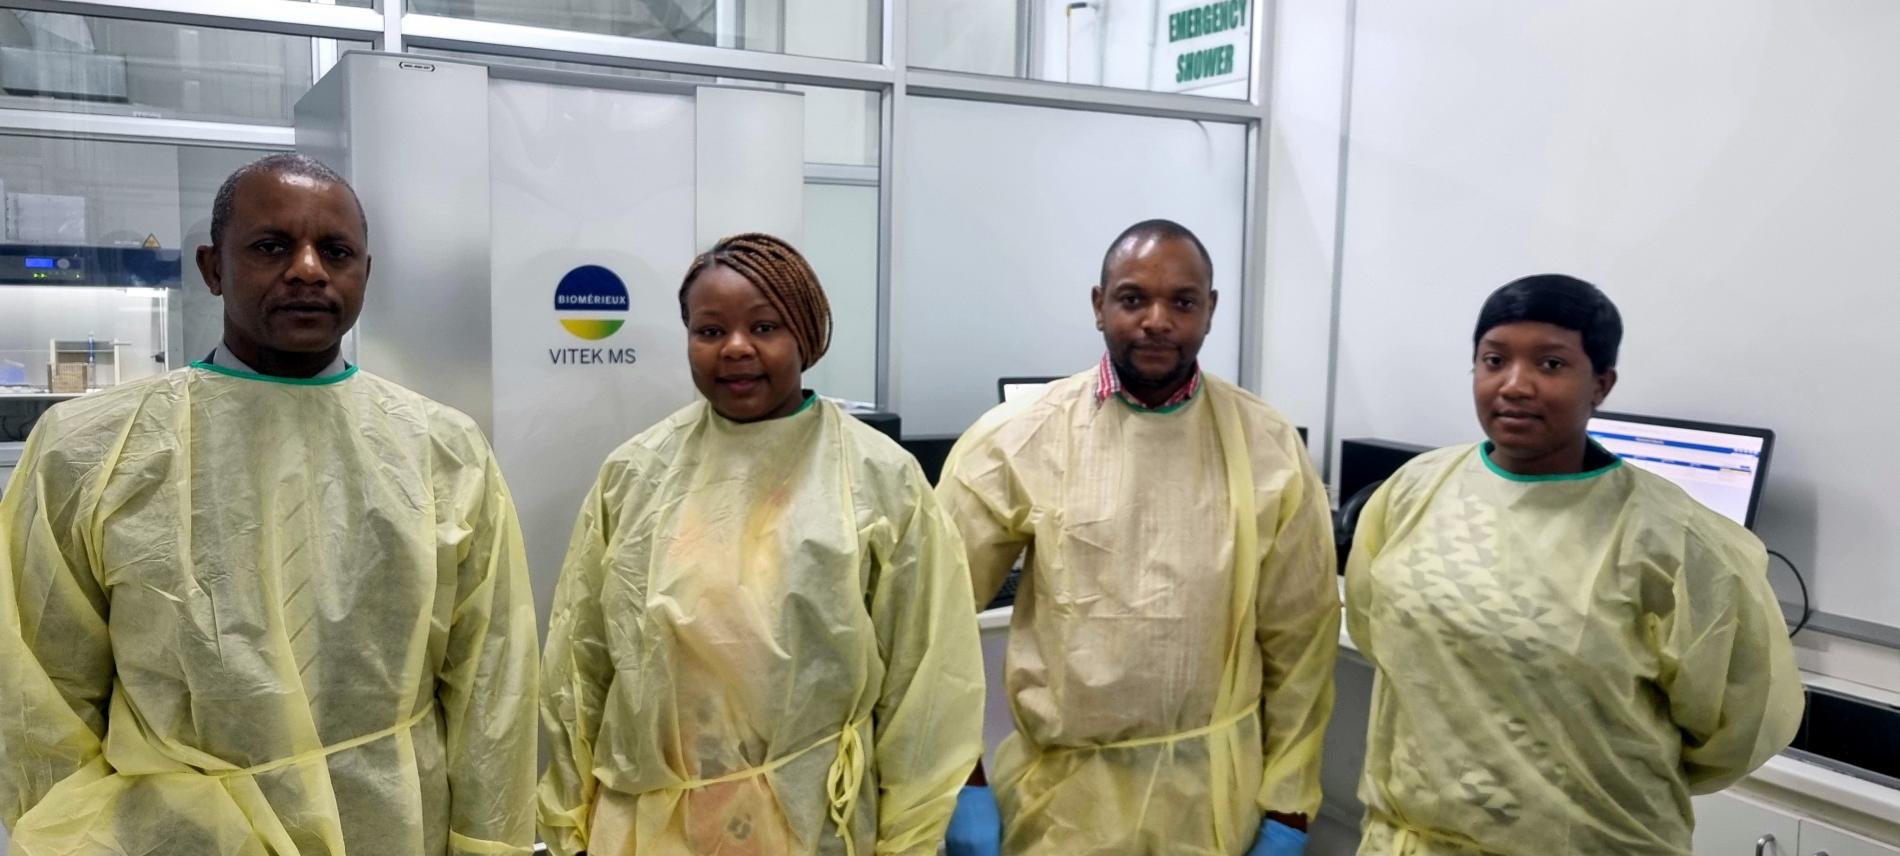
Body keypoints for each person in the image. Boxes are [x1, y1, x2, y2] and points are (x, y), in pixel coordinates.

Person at [0, 153, 538, 854]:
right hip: (173, 837)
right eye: (271, 246)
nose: (308, 270)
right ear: (213, 267)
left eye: (335, 251)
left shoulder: (443, 450)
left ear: (364, 275)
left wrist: (487, 845)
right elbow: (40, 690)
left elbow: (491, 683)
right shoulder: (92, 448)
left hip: (391, 829)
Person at [537, 232, 986, 856]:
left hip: (808, 824)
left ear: (806, 334)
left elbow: (926, 682)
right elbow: (579, 668)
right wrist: (568, 826)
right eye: (710, 330)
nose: (736, 349)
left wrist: (906, 840)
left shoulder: (878, 479)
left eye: (765, 326)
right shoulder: (636, 475)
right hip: (648, 830)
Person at [1344, 274, 1803, 855]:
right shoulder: (1416, 491)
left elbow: (1736, 728)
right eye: (1494, 360)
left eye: (1551, 364)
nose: (1515, 385)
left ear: (1601, 384)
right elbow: (1374, 627)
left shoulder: (1676, 541)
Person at [937, 219, 1339, 856]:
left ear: (1210, 311)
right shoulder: (1018, 439)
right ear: (1099, 306)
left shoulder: (1267, 447)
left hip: (1214, 805)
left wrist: (1289, 807)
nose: (1157, 320)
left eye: (1182, 301)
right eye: (1133, 298)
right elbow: (932, 626)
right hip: (1058, 807)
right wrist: (961, 780)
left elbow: (1303, 644)